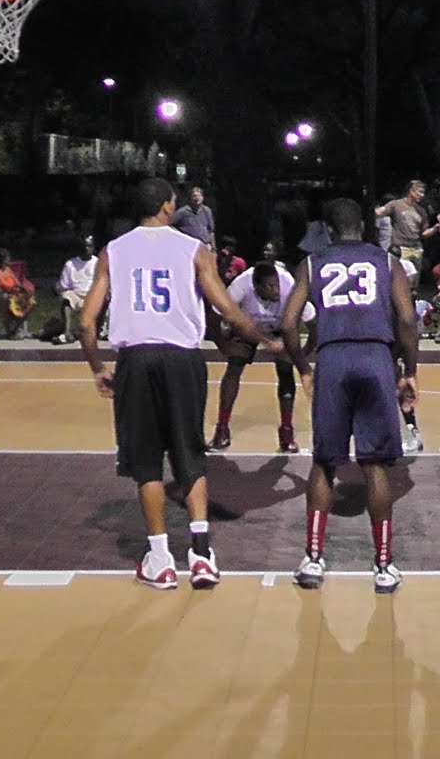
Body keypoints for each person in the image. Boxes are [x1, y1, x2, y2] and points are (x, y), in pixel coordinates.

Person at [78, 177, 280, 590]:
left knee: (146, 462)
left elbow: (86, 322)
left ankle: (160, 559)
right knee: (190, 454)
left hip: (137, 358)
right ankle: (202, 555)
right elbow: (227, 309)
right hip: (182, 359)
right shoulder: (194, 249)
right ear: (168, 207)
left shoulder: (114, 251)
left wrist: (98, 367)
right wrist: (267, 341)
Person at [281, 198, 419, 594]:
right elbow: (407, 319)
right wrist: (409, 370)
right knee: (375, 464)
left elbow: (288, 323)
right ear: (363, 226)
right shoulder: (387, 261)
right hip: (376, 356)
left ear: (327, 229)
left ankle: (313, 559)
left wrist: (303, 368)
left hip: (333, 358)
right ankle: (384, 565)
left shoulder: (312, 263)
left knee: (325, 462)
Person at [210, 259, 307, 455]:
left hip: (280, 327)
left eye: (276, 285)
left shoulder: (288, 285)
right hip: (249, 326)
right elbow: (215, 312)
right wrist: (223, 345)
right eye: (269, 287)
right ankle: (222, 429)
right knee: (234, 363)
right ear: (255, 287)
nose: (275, 290)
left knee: (285, 369)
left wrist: (300, 355)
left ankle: (287, 431)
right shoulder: (242, 284)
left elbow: (312, 322)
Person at [52, 235, 98, 344]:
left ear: (93, 248)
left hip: (92, 296)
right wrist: (57, 288)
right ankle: (67, 332)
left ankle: (80, 333)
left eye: (89, 246)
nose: (86, 249)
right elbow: (64, 285)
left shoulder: (98, 263)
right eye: (84, 246)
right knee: (66, 298)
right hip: (75, 295)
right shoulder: (70, 264)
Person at [375, 180, 428, 267]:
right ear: (411, 191)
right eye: (420, 192)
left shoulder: (421, 211)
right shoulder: (396, 204)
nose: (422, 195)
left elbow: (424, 232)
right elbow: (380, 213)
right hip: (400, 247)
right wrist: (375, 210)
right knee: (399, 273)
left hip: (415, 249)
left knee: (414, 275)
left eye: (423, 192)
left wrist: (436, 227)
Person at [0, 248, 36, 340]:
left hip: (12, 295)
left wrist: (26, 291)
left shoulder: (8, 270)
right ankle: (10, 332)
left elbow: (18, 284)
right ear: (1, 259)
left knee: (31, 302)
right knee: (7, 300)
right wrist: (10, 294)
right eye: (7, 257)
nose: (9, 259)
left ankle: (14, 329)